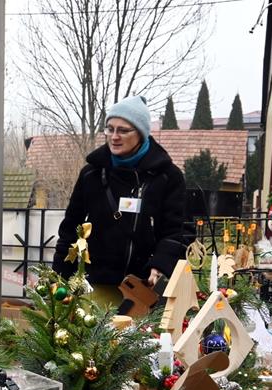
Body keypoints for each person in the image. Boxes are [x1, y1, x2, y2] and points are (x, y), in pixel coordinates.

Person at [52, 95, 192, 306]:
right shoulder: (91, 174)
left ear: (141, 133)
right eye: (110, 129)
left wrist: (161, 265)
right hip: (96, 285)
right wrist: (59, 278)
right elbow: (71, 228)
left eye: (123, 130)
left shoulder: (168, 177)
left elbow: (178, 231)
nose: (114, 137)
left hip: (145, 287)